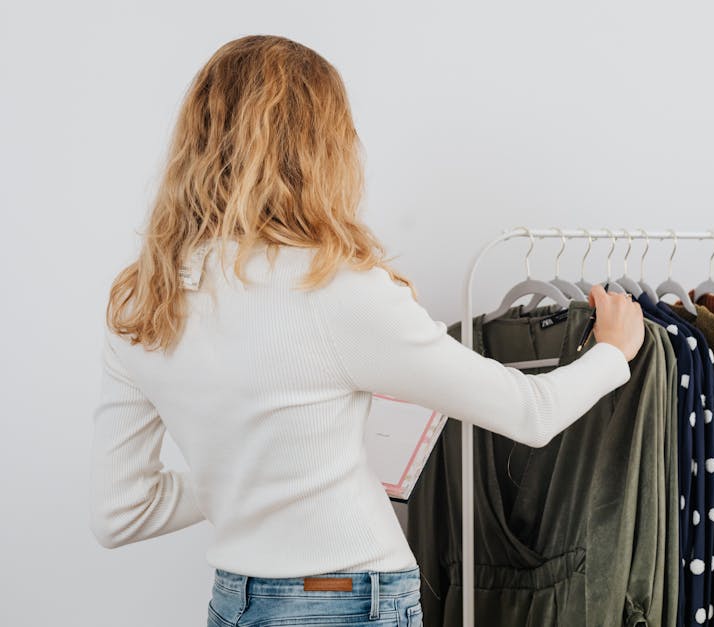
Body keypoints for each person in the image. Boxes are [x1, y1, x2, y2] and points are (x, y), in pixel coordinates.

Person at [88, 34, 646, 627]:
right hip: (348, 599)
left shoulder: (143, 298)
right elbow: (531, 412)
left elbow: (120, 512)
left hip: (235, 602)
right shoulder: (335, 288)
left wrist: (247, 469)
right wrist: (614, 352)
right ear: (323, 149)